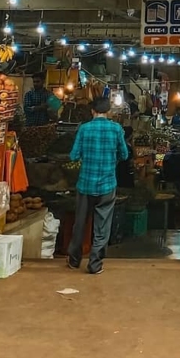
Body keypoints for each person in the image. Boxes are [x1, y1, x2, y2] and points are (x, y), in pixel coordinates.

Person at [67, 97, 129, 275]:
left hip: (85, 184)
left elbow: (73, 156)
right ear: (108, 112)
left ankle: (74, 260)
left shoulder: (84, 128)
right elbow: (124, 155)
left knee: (80, 223)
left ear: (92, 111)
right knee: (102, 226)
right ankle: (95, 264)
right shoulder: (116, 129)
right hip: (107, 185)